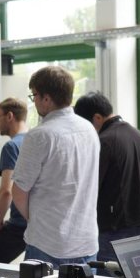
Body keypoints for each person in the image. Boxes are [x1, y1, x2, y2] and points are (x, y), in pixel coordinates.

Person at [12, 66, 100, 267]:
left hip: (48, 245)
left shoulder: (40, 135)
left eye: (34, 95)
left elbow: (18, 192)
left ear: (46, 98)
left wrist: (36, 220)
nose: (33, 101)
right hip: (86, 242)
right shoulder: (89, 128)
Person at [74, 91, 140, 276]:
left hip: (114, 224)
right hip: (139, 220)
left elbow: (92, 185)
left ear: (97, 117)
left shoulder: (105, 141)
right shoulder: (137, 134)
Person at [0, 97, 29, 263]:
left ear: (10, 116)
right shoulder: (35, 141)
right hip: (36, 223)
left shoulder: (12, 146)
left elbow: (7, 191)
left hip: (19, 225)